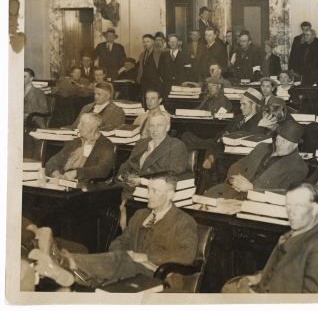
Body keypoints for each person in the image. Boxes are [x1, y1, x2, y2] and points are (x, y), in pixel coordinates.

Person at [27, 172, 198, 289]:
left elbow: (187, 255)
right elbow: (121, 241)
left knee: (115, 262)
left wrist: (146, 258)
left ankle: (61, 261)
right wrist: (124, 255)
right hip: (129, 266)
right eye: (148, 190)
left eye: (154, 191)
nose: (148, 195)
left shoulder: (184, 221)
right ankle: (65, 271)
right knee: (109, 264)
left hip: (160, 274)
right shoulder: (140, 214)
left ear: (170, 194)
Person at [221, 182, 318, 293]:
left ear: (315, 208)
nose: (291, 212)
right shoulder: (292, 234)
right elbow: (282, 271)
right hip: (264, 292)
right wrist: (260, 277)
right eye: (288, 205)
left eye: (299, 206)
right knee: (228, 288)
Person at [205, 119, 308, 200]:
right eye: (278, 140)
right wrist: (234, 180)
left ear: (295, 145)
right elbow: (238, 165)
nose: (279, 144)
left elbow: (283, 193)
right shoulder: (262, 147)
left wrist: (252, 188)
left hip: (257, 202)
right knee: (203, 200)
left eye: (284, 142)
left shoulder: (299, 167)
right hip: (232, 191)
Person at [116, 112, 188, 200]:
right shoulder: (141, 143)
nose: (155, 129)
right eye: (152, 125)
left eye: (159, 125)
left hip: (150, 191)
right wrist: (123, 176)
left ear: (167, 127)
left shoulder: (176, 146)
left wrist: (142, 181)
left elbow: (173, 174)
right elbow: (128, 163)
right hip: (124, 186)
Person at [45, 113, 115, 182]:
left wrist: (77, 173)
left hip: (85, 185)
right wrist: (55, 172)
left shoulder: (106, 145)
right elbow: (52, 162)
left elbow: (103, 170)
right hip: (63, 182)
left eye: (83, 123)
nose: (78, 126)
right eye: (79, 123)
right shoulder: (76, 141)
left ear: (94, 125)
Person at [158, 34, 190, 101]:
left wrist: (184, 80)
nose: (172, 43)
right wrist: (165, 80)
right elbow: (160, 69)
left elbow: (188, 70)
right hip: (167, 85)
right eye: (171, 41)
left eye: (174, 41)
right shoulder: (163, 55)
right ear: (168, 43)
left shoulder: (185, 55)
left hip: (180, 84)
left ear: (178, 42)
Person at [137, 33, 163, 105]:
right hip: (145, 82)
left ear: (153, 42)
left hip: (156, 81)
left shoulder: (159, 52)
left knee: (156, 101)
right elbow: (140, 68)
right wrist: (139, 78)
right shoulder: (142, 54)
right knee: (146, 101)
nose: (145, 44)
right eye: (144, 42)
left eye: (148, 41)